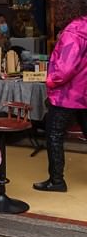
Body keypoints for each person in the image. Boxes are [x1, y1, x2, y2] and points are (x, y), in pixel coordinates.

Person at [34, 13, 87, 192]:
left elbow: (65, 68)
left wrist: (50, 79)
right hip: (84, 91)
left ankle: (56, 181)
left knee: (54, 134)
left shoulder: (73, 32)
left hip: (68, 94)